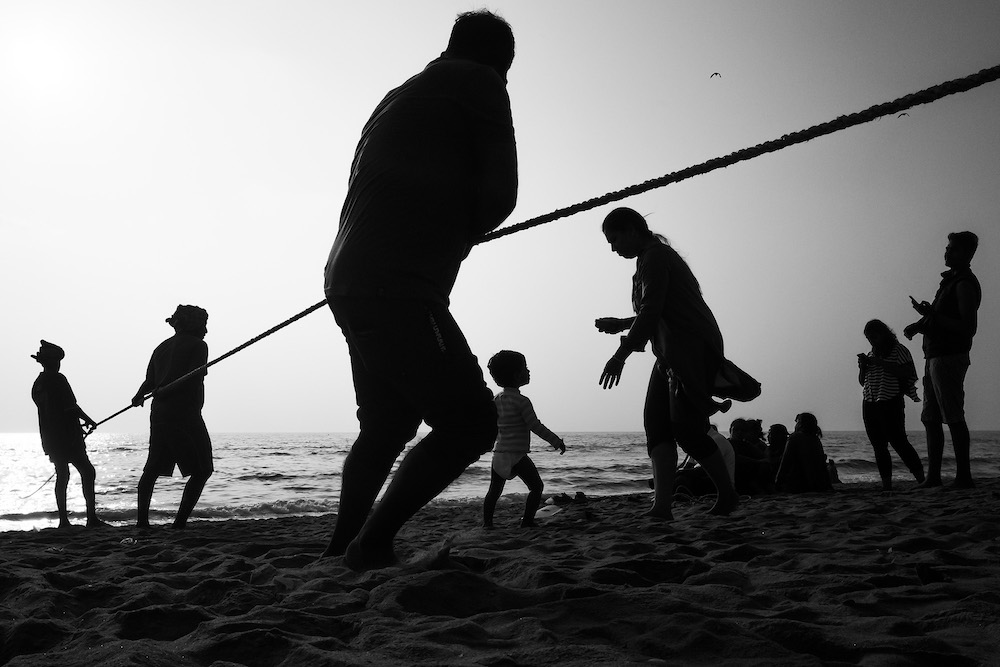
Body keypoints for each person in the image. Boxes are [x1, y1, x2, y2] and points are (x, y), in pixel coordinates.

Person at [321, 11, 518, 568]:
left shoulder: (397, 95)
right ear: (499, 59)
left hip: (347, 276)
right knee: (470, 423)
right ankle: (372, 544)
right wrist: (462, 230)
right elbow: (501, 196)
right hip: (399, 284)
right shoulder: (481, 81)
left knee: (386, 424)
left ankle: (340, 548)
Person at [596, 207, 760, 519]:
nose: (613, 248)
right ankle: (661, 506)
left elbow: (654, 310)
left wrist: (620, 355)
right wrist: (623, 323)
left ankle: (728, 496)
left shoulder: (656, 256)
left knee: (687, 432)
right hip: (669, 354)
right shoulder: (650, 258)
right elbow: (660, 309)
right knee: (656, 426)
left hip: (689, 352)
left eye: (614, 239)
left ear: (632, 229)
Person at [904, 231, 982, 489]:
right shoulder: (951, 282)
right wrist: (920, 323)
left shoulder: (964, 284)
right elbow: (939, 320)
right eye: (947, 248)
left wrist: (930, 316)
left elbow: (967, 327)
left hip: (949, 357)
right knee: (931, 418)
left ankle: (963, 477)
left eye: (952, 249)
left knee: (953, 417)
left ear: (966, 254)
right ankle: (933, 476)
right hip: (935, 356)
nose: (946, 252)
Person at [131, 305, 213, 529]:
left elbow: (149, 382)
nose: (206, 329)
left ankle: (142, 522)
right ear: (195, 324)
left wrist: (139, 396)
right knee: (203, 469)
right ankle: (179, 524)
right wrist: (165, 389)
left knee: (152, 469)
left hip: (159, 413)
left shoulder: (161, 348)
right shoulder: (199, 345)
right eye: (204, 323)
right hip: (184, 413)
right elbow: (193, 377)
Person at [482, 350, 566, 528]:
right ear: (515, 375)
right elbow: (535, 426)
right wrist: (556, 441)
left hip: (499, 454)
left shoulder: (496, 400)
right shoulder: (522, 401)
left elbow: (490, 427)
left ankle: (487, 524)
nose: (528, 371)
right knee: (536, 487)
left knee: (494, 492)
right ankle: (527, 522)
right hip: (517, 455)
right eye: (525, 368)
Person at [30, 340, 106, 528]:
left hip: (50, 438)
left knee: (62, 475)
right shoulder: (58, 379)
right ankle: (91, 518)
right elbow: (70, 407)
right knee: (87, 472)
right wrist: (89, 420)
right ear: (54, 361)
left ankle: (64, 521)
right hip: (68, 436)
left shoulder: (38, 383)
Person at [858, 319, 925, 492]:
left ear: (883, 334)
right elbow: (862, 382)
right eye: (869, 338)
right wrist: (863, 367)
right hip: (870, 402)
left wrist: (879, 363)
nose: (871, 341)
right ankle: (887, 485)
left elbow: (907, 372)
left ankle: (921, 480)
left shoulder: (899, 350)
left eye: (874, 337)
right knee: (879, 446)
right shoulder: (871, 354)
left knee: (899, 442)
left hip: (891, 401)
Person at [775, 412, 832, 493]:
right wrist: (827, 485)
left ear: (800, 424)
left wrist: (778, 481)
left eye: (797, 422)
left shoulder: (795, 438)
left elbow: (785, 462)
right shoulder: (815, 439)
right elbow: (822, 464)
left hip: (800, 484)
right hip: (817, 484)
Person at [729, 417, 775, 496]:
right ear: (731, 430)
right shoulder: (727, 444)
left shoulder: (747, 445)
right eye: (736, 429)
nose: (739, 432)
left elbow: (762, 456)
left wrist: (763, 460)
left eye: (742, 430)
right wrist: (756, 461)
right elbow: (734, 457)